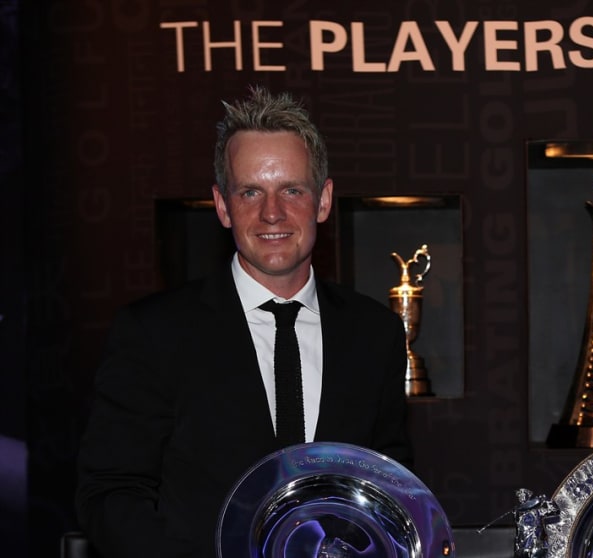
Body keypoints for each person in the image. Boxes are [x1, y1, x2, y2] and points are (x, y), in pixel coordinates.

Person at [75, 86, 412, 558]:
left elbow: (388, 487)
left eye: (291, 190)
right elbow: (110, 492)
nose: (271, 212)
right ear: (221, 204)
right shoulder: (154, 333)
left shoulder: (375, 334)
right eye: (250, 191)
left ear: (323, 199)